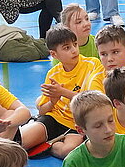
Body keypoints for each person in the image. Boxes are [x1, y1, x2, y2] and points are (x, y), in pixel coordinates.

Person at [29, 26, 98, 158]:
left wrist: (62, 92)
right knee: (22, 141)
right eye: (67, 48)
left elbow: (93, 101)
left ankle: (50, 145)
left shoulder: (93, 65)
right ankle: (43, 137)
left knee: (67, 151)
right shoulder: (53, 74)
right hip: (54, 118)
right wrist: (52, 102)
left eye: (75, 44)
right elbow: (42, 111)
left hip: (76, 124)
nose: (74, 50)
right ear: (54, 54)